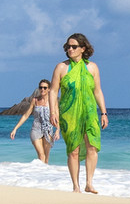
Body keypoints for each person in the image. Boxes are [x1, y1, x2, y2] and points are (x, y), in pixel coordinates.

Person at [52, 32, 108, 193]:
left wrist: (103, 112)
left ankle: (89, 183)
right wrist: (53, 113)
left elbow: (97, 91)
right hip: (69, 114)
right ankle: (76, 186)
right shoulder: (62, 67)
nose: (70, 49)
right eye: (68, 46)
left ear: (83, 48)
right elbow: (53, 91)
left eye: (74, 47)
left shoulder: (92, 67)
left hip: (90, 113)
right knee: (74, 150)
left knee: (92, 146)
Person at [9, 78, 56, 163]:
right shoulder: (35, 100)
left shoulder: (53, 101)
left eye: (45, 88)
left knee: (46, 158)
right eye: (40, 87)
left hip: (48, 130)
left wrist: (58, 130)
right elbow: (26, 115)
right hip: (36, 129)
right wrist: (15, 128)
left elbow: (57, 117)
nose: (42, 89)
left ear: (49, 89)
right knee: (41, 156)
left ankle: (42, 175)